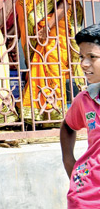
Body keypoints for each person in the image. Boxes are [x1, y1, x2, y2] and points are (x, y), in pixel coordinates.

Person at [15, 0, 83, 122]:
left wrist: (48, 26)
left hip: (52, 35)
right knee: (37, 71)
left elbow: (66, 4)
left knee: (53, 70)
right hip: (34, 39)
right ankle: (41, 113)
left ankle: (54, 111)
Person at [61, 24, 100, 207]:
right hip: (85, 195)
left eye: (92, 57)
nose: (84, 64)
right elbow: (68, 126)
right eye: (81, 57)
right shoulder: (84, 100)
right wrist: (69, 161)